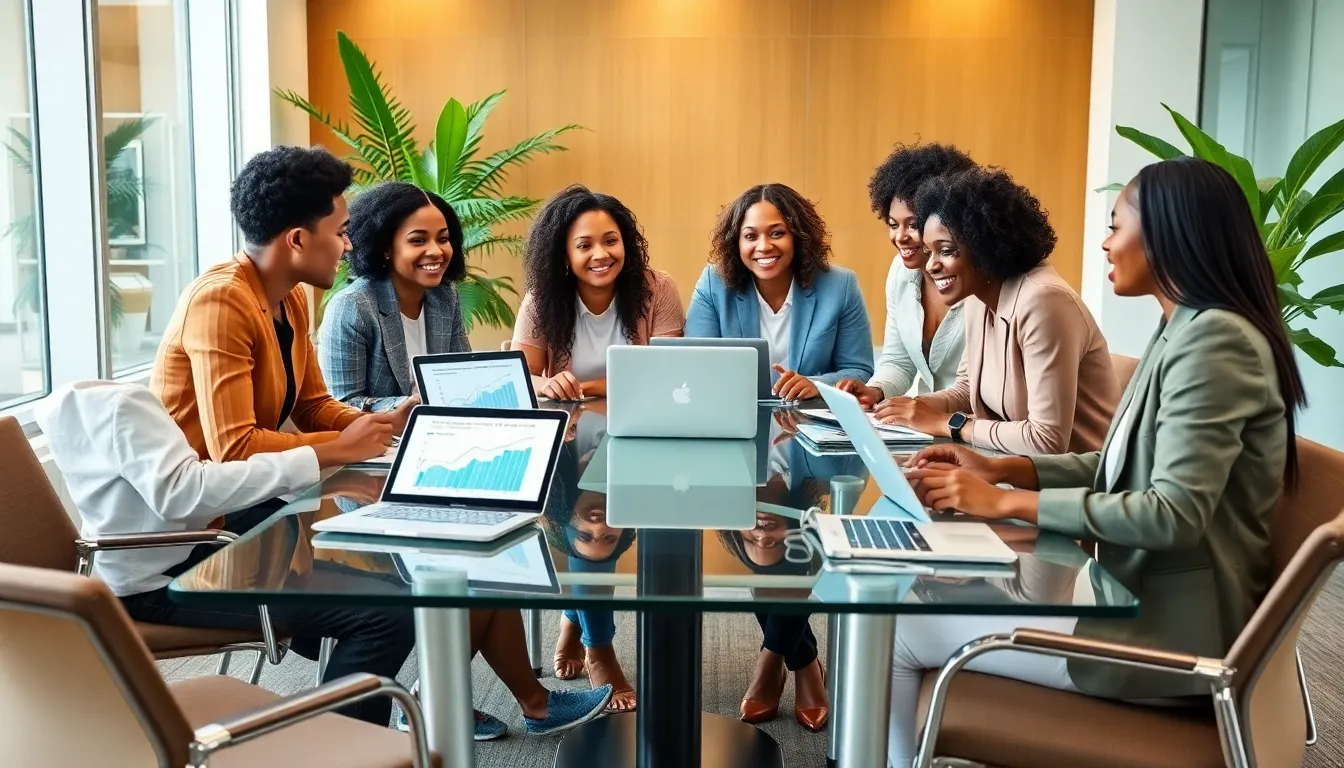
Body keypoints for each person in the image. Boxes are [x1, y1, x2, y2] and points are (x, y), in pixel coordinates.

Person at [885, 157, 1305, 766]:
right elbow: (1118, 466)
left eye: (1115, 225)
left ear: (1167, 233)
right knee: (907, 606)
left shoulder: (1217, 343)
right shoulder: (1183, 329)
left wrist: (1007, 503)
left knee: (893, 630)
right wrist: (1003, 470)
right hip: (1136, 596)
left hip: (1169, 637)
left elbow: (1173, 514)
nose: (1105, 242)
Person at [872, 166, 1119, 455]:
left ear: (985, 245)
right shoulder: (978, 295)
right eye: (930, 251)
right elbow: (967, 389)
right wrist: (906, 410)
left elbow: (1047, 440)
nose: (931, 265)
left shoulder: (1044, 301)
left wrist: (948, 423)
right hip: (1010, 469)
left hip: (1076, 485)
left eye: (947, 251)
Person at [724, 423, 868, 733]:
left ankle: (772, 659)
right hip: (743, 432)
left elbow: (857, 373)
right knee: (770, 548)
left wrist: (811, 387)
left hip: (808, 433)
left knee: (786, 545)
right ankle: (805, 662)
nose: (760, 537)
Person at [685, 183, 874, 400]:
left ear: (798, 236)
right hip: (733, 414)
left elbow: (859, 370)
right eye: (751, 236)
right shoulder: (713, 284)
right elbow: (696, 365)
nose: (764, 246)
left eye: (777, 233)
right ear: (735, 242)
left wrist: (816, 385)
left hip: (809, 420)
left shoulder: (840, 286)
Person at [511, 185, 685, 401]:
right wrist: (549, 384)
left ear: (625, 243)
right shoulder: (541, 299)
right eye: (584, 246)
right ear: (564, 255)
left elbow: (666, 370)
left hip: (643, 416)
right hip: (571, 426)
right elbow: (521, 376)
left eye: (611, 241)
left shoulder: (659, 289)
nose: (601, 254)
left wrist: (582, 388)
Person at [836, 143, 976, 404]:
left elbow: (982, 385)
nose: (900, 237)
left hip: (975, 427)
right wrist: (875, 390)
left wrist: (918, 407)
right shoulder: (901, 271)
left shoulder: (980, 282)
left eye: (913, 224)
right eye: (892, 224)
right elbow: (898, 361)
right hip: (927, 425)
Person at [319, 181, 469, 410]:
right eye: (418, 240)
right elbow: (342, 403)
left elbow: (461, 374)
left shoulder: (446, 297)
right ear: (386, 248)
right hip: (378, 440)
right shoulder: (353, 306)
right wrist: (412, 404)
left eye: (443, 239)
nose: (436, 251)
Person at [540, 405, 639, 713]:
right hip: (568, 405)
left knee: (590, 532)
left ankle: (575, 620)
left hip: (619, 409)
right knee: (593, 538)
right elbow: (525, 373)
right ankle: (597, 646)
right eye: (611, 535)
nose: (599, 527)